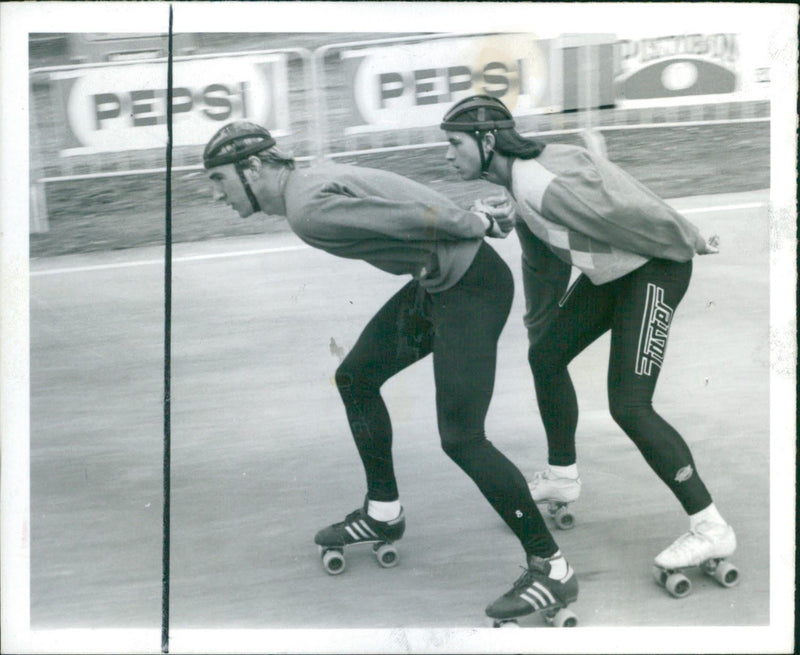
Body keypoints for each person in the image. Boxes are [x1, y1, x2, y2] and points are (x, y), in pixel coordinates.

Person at [203, 121, 578, 623]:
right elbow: (401, 196)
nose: (217, 195)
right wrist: (468, 216)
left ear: (252, 167)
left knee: (462, 438)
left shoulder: (307, 207)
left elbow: (402, 215)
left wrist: (474, 224)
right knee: (355, 378)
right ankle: (383, 512)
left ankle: (551, 568)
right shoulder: (311, 181)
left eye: (220, 180)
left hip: (472, 288)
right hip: (442, 284)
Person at [440, 95, 736, 577]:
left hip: (657, 270)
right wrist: (541, 328)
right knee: (546, 357)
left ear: (487, 140)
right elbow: (541, 263)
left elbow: (623, 208)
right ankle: (562, 477)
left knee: (630, 405)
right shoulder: (517, 183)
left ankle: (710, 526)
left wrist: (688, 235)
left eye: (454, 143)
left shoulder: (537, 184)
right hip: (615, 276)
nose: (447, 155)